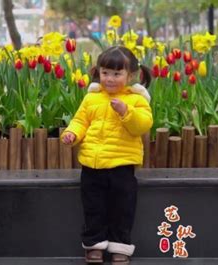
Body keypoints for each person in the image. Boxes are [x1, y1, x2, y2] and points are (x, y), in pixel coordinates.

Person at [61, 46, 153, 264]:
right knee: (93, 207)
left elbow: (142, 125)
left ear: (130, 76)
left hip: (122, 166)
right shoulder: (92, 98)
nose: (109, 79)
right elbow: (80, 121)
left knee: (122, 208)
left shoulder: (136, 100)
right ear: (98, 73)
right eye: (105, 73)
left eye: (116, 74)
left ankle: (120, 246)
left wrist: (126, 112)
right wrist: (71, 134)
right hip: (91, 165)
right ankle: (94, 245)